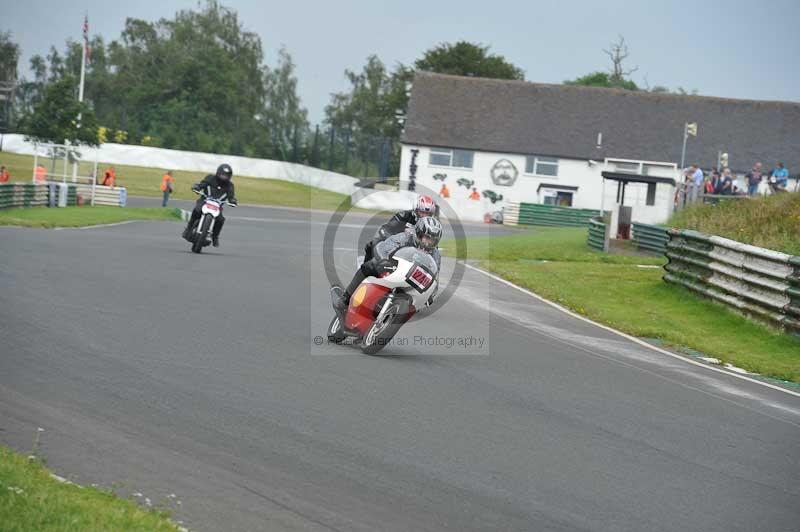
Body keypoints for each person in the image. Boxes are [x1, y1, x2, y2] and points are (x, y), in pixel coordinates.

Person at [334, 216, 443, 315]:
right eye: (426, 237)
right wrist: (383, 260)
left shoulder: (435, 254)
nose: (428, 243)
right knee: (369, 266)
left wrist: (430, 294)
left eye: (432, 240)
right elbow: (384, 247)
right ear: (418, 233)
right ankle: (345, 298)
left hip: (411, 280)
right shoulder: (405, 237)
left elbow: (435, 277)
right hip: (393, 267)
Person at [362, 195, 438, 262]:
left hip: (416, 252)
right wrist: (395, 237)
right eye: (422, 212)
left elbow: (434, 243)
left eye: (427, 213)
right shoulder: (403, 216)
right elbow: (385, 229)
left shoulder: (431, 225)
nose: (424, 216)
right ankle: (365, 270)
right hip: (397, 246)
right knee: (372, 244)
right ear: (415, 210)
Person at [182, 164, 237, 247]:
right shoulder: (210, 178)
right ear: (218, 173)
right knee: (197, 210)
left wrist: (233, 201)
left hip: (217, 205)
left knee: (220, 219)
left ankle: (215, 237)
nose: (224, 177)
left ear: (229, 176)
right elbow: (202, 184)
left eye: (226, 176)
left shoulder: (230, 185)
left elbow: (231, 196)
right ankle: (188, 228)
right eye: (222, 175)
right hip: (205, 200)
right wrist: (197, 187)